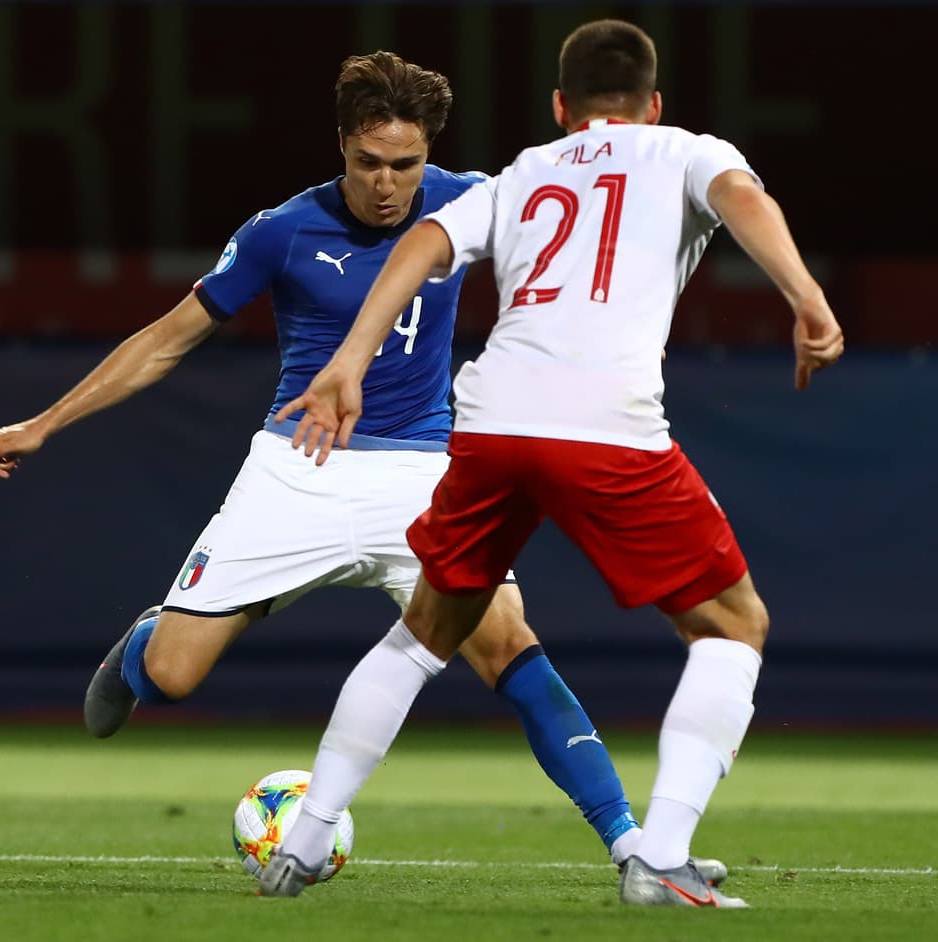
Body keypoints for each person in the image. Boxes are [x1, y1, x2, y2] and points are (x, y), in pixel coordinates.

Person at [0, 50, 729, 882]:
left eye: (404, 165)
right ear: (341, 148)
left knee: (509, 648)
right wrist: (46, 423)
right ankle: (145, 642)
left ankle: (633, 846)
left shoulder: (473, 200)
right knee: (173, 675)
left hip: (421, 476)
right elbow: (166, 340)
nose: (385, 183)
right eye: (368, 163)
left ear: (428, 156)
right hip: (299, 467)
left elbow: (586, 239)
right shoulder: (281, 231)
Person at [259, 20, 844, 907]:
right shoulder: (687, 149)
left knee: (425, 633)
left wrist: (347, 360)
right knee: (733, 626)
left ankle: (300, 847)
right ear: (653, 103)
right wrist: (806, 297)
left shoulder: (525, 169)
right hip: (605, 424)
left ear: (561, 106)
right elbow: (743, 198)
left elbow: (421, 246)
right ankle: (662, 857)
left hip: (491, 422)